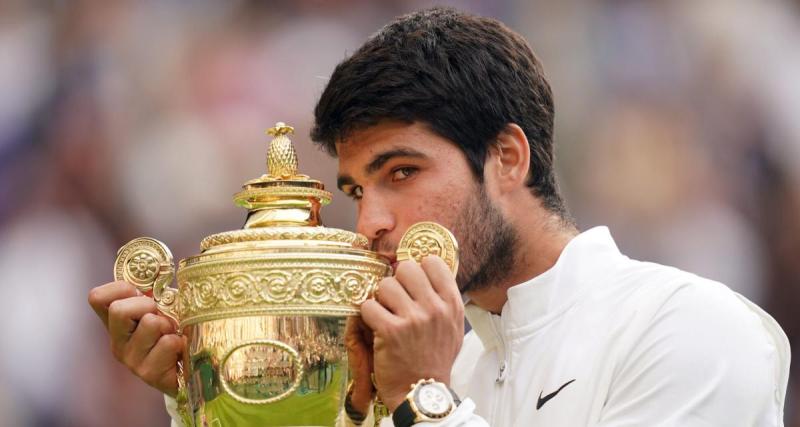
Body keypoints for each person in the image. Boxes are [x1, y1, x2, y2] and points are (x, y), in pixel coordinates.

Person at [88, 7, 790, 427]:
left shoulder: (691, 325)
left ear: (508, 158)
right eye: (357, 190)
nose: (372, 224)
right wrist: (205, 391)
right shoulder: (427, 359)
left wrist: (424, 399)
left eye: (402, 172)